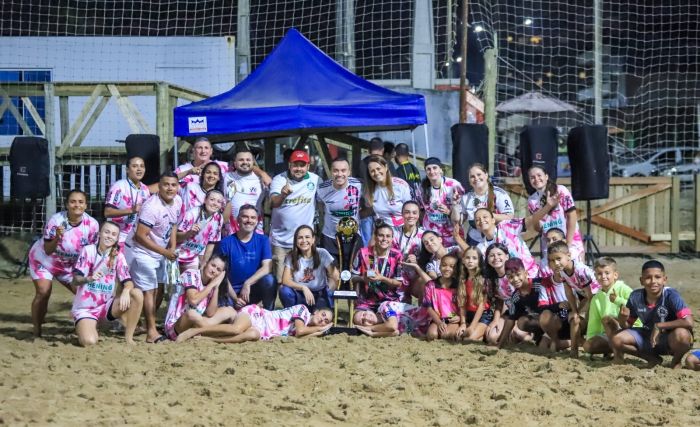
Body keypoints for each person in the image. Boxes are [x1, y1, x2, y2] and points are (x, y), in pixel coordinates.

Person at [28, 189, 99, 337]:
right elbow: (48, 250)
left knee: (83, 293)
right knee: (43, 292)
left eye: (81, 202)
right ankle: (36, 330)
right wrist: (57, 238)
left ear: (86, 205)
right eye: (73, 202)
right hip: (44, 260)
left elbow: (91, 253)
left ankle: (82, 325)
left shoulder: (92, 225)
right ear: (67, 204)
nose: (76, 205)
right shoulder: (56, 221)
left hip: (69, 266)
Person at [128, 172, 182, 343]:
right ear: (158, 186)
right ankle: (151, 332)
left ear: (178, 187)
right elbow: (140, 236)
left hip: (159, 251)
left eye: (173, 185)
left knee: (158, 289)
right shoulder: (151, 207)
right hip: (141, 251)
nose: (170, 188)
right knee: (149, 291)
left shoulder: (178, 201)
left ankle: (145, 324)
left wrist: (172, 246)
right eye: (166, 184)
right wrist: (165, 252)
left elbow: (173, 224)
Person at [70, 221, 143, 346]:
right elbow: (75, 280)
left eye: (114, 234)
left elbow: (128, 281)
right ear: (99, 234)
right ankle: (85, 326)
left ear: (117, 239)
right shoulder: (88, 251)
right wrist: (89, 279)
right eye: (106, 232)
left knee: (136, 294)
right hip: (86, 309)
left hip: (105, 307)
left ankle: (129, 338)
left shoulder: (118, 256)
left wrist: (126, 290)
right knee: (89, 341)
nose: (109, 236)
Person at [611, 260, 693, 368]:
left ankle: (676, 361)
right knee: (616, 339)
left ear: (665, 280)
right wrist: (622, 319)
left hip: (670, 339)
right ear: (641, 280)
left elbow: (689, 321)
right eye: (648, 277)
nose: (653, 281)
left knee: (683, 335)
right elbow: (628, 326)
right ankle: (652, 358)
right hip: (647, 337)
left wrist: (659, 325)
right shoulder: (635, 296)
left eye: (658, 277)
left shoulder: (671, 295)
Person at [270, 150, 320, 282]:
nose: (299, 169)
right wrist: (283, 195)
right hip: (281, 241)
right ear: (289, 165)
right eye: (295, 165)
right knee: (280, 280)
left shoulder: (315, 180)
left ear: (308, 166)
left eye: (302, 165)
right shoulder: (279, 179)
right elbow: (274, 203)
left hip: (304, 242)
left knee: (304, 278)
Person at [163, 254, 237, 341]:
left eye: (218, 270)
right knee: (192, 314)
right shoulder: (190, 274)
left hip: (197, 323)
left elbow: (210, 313)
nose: (213, 270)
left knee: (230, 311)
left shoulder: (211, 283)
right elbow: (193, 300)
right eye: (213, 265)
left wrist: (216, 287)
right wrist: (212, 284)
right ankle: (219, 332)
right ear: (206, 263)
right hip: (175, 326)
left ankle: (203, 331)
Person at [546, 240, 601, 357]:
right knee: (574, 318)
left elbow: (591, 295)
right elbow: (569, 292)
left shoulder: (580, 270)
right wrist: (575, 310)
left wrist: (581, 313)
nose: (555, 263)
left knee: (577, 320)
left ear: (569, 256)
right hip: (586, 298)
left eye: (558, 259)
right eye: (552, 260)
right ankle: (574, 351)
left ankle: (575, 350)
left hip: (597, 298)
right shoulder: (562, 272)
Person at [216, 204, 276, 310]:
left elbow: (267, 267)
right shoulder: (226, 243)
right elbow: (221, 273)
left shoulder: (263, 240)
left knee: (270, 280)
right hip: (230, 291)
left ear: (257, 221)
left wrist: (247, 283)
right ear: (238, 219)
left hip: (251, 290)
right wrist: (235, 298)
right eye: (245, 217)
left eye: (253, 217)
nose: (249, 220)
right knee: (226, 315)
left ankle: (268, 314)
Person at [175, 304, 333, 342]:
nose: (322, 320)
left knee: (253, 335)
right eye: (323, 315)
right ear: (317, 311)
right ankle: (194, 331)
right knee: (237, 329)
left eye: (325, 321)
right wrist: (323, 329)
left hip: (262, 331)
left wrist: (319, 332)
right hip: (257, 315)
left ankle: (208, 339)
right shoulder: (303, 310)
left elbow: (302, 334)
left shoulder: (308, 329)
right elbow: (299, 331)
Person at [473, 206, 554, 279]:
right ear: (476, 226)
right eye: (477, 220)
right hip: (511, 286)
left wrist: (548, 205)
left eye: (485, 217)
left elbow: (530, 220)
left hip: (532, 276)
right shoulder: (481, 247)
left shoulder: (506, 226)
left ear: (493, 220)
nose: (481, 220)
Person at [526, 165, 584, 262]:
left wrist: (568, 244)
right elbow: (537, 228)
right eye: (532, 177)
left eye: (539, 175)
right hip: (549, 244)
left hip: (570, 241)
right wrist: (546, 207)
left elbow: (572, 216)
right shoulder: (532, 200)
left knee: (575, 274)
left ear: (546, 176)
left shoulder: (561, 190)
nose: (536, 179)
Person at [583, 256, 636, 356]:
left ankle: (618, 354)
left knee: (607, 320)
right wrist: (591, 339)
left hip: (628, 330)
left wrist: (617, 300)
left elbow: (636, 305)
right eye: (599, 273)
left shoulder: (623, 289)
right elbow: (593, 323)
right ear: (595, 276)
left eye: (607, 273)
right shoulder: (596, 299)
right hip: (608, 334)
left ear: (615, 275)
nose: (603, 276)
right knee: (587, 346)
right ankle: (613, 349)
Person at [496, 258, 553, 348]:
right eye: (510, 277)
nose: (515, 279)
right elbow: (510, 320)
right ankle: (540, 336)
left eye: (518, 275)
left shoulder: (539, 284)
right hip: (539, 322)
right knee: (521, 322)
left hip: (554, 319)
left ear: (526, 273)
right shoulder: (515, 297)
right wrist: (500, 344)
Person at [279, 225, 338, 310]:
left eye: (307, 237)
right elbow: (285, 280)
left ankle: (324, 306)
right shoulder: (291, 256)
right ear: (295, 240)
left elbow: (335, 275)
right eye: (300, 238)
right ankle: (291, 314)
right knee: (284, 291)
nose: (304, 240)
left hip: (319, 294)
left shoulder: (322, 253)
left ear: (313, 239)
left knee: (321, 316)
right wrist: (303, 288)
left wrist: (329, 289)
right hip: (300, 293)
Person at [454, 163, 514, 246]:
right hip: (474, 240)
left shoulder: (499, 194)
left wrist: (487, 216)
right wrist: (455, 205)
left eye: (479, 174)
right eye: (472, 176)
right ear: (469, 181)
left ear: (486, 175)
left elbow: (510, 217)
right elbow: (459, 221)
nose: (476, 178)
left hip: (496, 238)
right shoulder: (466, 198)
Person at [175, 137, 271, 188]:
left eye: (206, 148)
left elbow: (243, 165)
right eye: (199, 148)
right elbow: (167, 181)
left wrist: (262, 174)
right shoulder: (182, 169)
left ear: (211, 151)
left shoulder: (222, 166)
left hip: (217, 220)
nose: (203, 151)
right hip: (190, 220)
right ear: (193, 150)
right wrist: (188, 172)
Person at [352, 222, 404, 313]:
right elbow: (352, 278)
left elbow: (399, 283)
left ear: (392, 238)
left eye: (388, 236)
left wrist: (382, 278)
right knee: (359, 319)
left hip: (389, 301)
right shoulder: (363, 253)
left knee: (391, 320)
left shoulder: (397, 255)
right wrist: (363, 278)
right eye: (381, 235)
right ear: (375, 237)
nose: (384, 239)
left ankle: (379, 319)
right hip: (366, 301)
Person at [316, 157, 362, 258]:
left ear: (349, 172)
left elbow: (370, 202)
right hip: (330, 238)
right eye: (336, 171)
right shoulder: (322, 188)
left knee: (354, 272)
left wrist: (361, 215)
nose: (340, 174)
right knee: (332, 273)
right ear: (331, 171)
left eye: (343, 170)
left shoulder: (359, 185)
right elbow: (320, 206)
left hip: (353, 237)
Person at [103, 156, 152, 248]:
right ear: (127, 170)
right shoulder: (119, 186)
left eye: (142, 166)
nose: (139, 169)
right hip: (118, 237)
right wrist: (131, 210)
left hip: (137, 238)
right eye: (135, 166)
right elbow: (107, 212)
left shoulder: (145, 189)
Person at [416, 157, 465, 246]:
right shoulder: (421, 188)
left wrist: (449, 212)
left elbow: (463, 215)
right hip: (431, 233)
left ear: (441, 170)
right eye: (428, 169)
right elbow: (420, 210)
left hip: (451, 232)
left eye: (435, 168)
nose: (432, 171)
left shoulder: (454, 185)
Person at [175, 189, 224, 271]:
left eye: (219, 202)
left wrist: (204, 263)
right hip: (176, 254)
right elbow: (175, 237)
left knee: (192, 283)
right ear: (205, 200)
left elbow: (211, 243)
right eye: (212, 200)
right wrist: (188, 233)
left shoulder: (219, 219)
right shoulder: (192, 214)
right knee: (172, 283)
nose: (215, 204)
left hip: (193, 258)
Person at [222, 148, 266, 235]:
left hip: (255, 230)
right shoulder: (226, 177)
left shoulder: (261, 179)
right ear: (235, 163)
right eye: (241, 160)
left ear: (253, 162)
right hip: (231, 231)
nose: (245, 162)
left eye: (248, 160)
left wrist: (263, 174)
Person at [364, 155, 412, 232]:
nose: (376, 173)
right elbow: (369, 213)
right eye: (372, 171)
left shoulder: (401, 185)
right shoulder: (369, 191)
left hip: (403, 229)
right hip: (382, 232)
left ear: (386, 167)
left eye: (378, 168)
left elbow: (411, 211)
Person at [421, 254, 462, 341]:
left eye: (452, 266)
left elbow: (463, 306)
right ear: (439, 267)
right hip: (438, 318)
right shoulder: (430, 285)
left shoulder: (459, 286)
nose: (447, 269)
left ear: (455, 270)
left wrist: (459, 317)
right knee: (432, 335)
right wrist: (439, 322)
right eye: (444, 265)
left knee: (445, 335)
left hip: (453, 318)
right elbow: (428, 307)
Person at [456, 246, 493, 341]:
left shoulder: (483, 280)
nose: (470, 261)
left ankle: (481, 333)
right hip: (469, 314)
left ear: (479, 261)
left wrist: (472, 326)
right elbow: (462, 304)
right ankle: (480, 335)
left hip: (483, 315)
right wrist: (463, 323)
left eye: (474, 258)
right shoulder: (462, 280)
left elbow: (482, 306)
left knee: (469, 339)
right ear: (463, 260)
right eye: (467, 258)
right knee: (458, 337)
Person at [392, 201, 424, 300]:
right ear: (402, 214)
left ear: (418, 215)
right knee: (401, 309)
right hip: (396, 276)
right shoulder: (393, 232)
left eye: (414, 213)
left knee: (426, 283)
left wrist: (418, 261)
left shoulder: (424, 235)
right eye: (407, 212)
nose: (411, 216)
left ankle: (423, 311)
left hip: (415, 278)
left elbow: (430, 259)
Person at [354, 300, 431, 337]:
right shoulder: (381, 326)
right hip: (426, 331)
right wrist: (373, 334)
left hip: (431, 317)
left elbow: (392, 326)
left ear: (367, 310)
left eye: (364, 314)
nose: (367, 318)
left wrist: (371, 329)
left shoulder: (385, 307)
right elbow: (395, 332)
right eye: (363, 321)